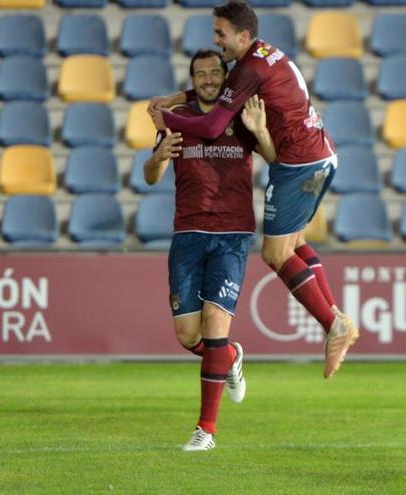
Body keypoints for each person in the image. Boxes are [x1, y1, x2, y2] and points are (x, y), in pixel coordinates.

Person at [147, 1, 358, 379]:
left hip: (297, 163)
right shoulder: (263, 55)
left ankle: (333, 323)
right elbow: (218, 88)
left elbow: (212, 125)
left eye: (220, 34)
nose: (217, 40)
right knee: (293, 245)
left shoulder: (249, 68)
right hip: (321, 155)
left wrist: (167, 117)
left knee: (275, 253)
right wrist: (179, 98)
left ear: (242, 35)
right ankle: (336, 320)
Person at [144, 50, 276, 451]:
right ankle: (229, 356)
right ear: (192, 78)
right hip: (187, 234)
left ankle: (206, 430)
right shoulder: (177, 117)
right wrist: (159, 159)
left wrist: (262, 130)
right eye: (199, 73)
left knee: (216, 326)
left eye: (214, 72)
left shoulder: (239, 113)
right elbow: (150, 177)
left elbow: (273, 157)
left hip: (232, 235)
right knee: (188, 336)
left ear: (224, 77)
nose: (207, 78)